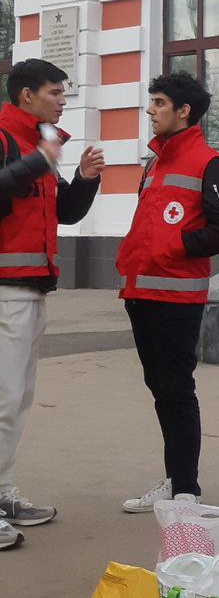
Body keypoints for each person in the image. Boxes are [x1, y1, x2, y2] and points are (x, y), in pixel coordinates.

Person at [117, 73, 219, 512]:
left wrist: (177, 246)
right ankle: (175, 480)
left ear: (183, 111)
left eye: (159, 102)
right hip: (140, 295)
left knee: (176, 389)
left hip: (177, 299)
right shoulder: (153, 163)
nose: (150, 110)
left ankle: (186, 489)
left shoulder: (210, 164)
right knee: (160, 388)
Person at [0, 59, 103, 549]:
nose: (63, 100)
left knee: (16, 401)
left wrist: (82, 179)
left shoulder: (37, 147)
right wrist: (40, 160)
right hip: (4, 291)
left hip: (32, 290)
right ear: (26, 95)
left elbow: (63, 211)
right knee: (1, 402)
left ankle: (2, 493)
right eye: (55, 92)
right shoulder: (6, 140)